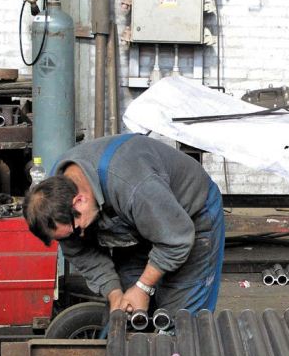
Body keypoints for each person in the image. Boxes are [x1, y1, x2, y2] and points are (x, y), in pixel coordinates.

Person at [23, 133, 225, 317]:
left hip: (189, 218)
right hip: (139, 227)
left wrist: (143, 287)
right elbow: (81, 253)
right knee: (130, 311)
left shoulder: (133, 183)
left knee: (177, 316)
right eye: (65, 237)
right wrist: (115, 294)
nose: (79, 236)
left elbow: (176, 240)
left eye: (76, 229)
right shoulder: (57, 198)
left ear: (80, 200)